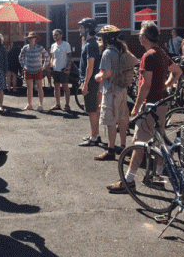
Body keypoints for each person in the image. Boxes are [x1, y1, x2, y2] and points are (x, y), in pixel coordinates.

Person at [107, 21, 181, 193]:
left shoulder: (148, 56)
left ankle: (128, 180)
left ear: (145, 37)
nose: (138, 35)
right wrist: (166, 84)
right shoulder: (161, 53)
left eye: (140, 33)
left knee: (138, 143)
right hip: (162, 103)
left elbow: (145, 85)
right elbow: (177, 71)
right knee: (159, 140)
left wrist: (136, 107)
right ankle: (157, 177)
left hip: (150, 104)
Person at [93, 25, 137, 161]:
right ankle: (124, 147)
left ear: (106, 38)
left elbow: (107, 73)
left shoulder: (107, 53)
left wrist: (97, 76)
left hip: (111, 91)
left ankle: (111, 150)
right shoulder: (122, 49)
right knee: (123, 119)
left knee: (110, 121)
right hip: (123, 90)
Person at [77, 18, 102, 146]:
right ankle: (95, 135)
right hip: (93, 80)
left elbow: (90, 66)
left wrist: (85, 84)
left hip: (91, 81)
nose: (79, 30)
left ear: (87, 29)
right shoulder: (91, 43)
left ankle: (93, 138)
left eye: (81, 27)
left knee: (91, 110)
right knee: (94, 110)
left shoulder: (90, 44)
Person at [19, 32, 49, 111]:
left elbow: (47, 56)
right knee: (29, 88)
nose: (31, 39)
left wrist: (44, 66)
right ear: (28, 39)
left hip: (38, 70)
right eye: (30, 38)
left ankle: (40, 104)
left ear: (36, 39)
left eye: (33, 38)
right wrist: (23, 66)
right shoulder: (25, 48)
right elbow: (20, 57)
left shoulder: (40, 47)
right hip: (28, 70)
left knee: (39, 88)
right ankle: (29, 104)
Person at [48, 29, 72, 112]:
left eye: (56, 35)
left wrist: (68, 67)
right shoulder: (53, 45)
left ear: (61, 35)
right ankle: (57, 104)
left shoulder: (66, 44)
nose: (55, 36)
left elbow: (69, 57)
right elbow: (52, 57)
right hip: (55, 69)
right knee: (56, 87)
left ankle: (67, 105)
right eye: (54, 35)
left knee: (65, 87)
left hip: (63, 69)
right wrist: (51, 65)